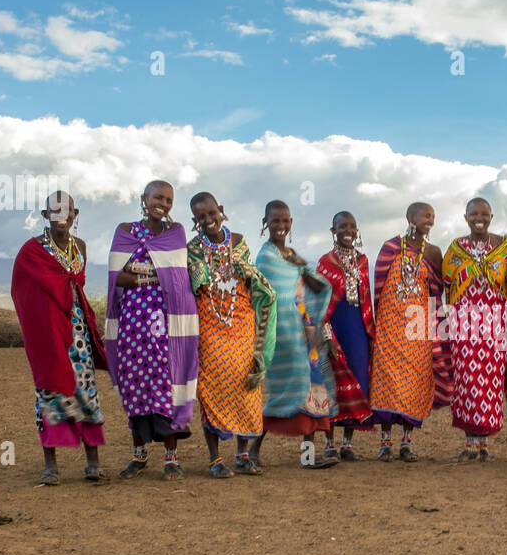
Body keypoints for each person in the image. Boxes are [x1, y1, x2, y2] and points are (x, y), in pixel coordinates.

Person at [10, 190, 107, 485]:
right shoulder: (33, 250)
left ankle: (93, 461)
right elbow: (22, 291)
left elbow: (75, 286)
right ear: (45, 216)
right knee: (49, 392)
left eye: (67, 211)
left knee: (86, 391)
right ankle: (50, 465)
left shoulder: (81, 247)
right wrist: (39, 324)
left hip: (78, 331)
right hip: (49, 333)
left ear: (75, 216)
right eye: (54, 211)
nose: (61, 216)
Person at [106, 180, 198, 480]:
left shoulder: (175, 233)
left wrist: (139, 274)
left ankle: (171, 459)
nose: (163, 203)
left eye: (169, 200)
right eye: (158, 197)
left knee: (166, 388)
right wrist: (153, 275)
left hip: (166, 326)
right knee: (135, 388)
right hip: (132, 325)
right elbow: (117, 278)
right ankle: (139, 455)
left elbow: (177, 277)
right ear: (143, 198)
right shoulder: (126, 231)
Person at [187, 192, 277, 477]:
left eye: (212, 214)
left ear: (221, 211)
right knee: (210, 390)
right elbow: (193, 285)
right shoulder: (191, 249)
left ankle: (242, 455)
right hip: (210, 327)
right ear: (195, 221)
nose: (208, 220)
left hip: (241, 324)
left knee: (246, 390)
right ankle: (215, 460)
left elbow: (251, 279)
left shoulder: (238, 242)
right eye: (201, 217)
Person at [252, 200, 339, 469]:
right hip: (284, 334)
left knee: (311, 391)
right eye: (275, 221)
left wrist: (304, 268)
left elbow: (313, 286)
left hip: (306, 333)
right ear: (266, 223)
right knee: (286, 393)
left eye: (286, 221)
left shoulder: (291, 254)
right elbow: (271, 297)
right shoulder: (266, 257)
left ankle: (308, 458)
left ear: (291, 224)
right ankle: (252, 450)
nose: (281, 226)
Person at [368, 203, 451, 461]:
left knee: (416, 383)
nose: (430, 220)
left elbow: (437, 291)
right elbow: (378, 289)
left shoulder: (434, 252)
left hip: (419, 329)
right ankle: (385, 442)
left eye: (433, 216)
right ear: (410, 217)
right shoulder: (390, 247)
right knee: (386, 382)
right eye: (426, 215)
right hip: (390, 327)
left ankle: (406, 443)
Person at [442, 197, 507, 461]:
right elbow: (447, 285)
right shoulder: (455, 248)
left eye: (484, 213)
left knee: (491, 382)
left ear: (491, 216)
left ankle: (484, 445)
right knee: (467, 379)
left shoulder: (505, 248)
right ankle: (470, 443)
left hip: (495, 323)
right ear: (465, 217)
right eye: (473, 214)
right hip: (464, 324)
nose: (479, 218)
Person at [317, 211, 376, 460]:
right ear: (333, 231)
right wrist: (327, 337)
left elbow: (367, 299)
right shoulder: (325, 262)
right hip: (334, 326)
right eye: (343, 226)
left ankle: (347, 444)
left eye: (352, 226)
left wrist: (370, 333)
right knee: (332, 384)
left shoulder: (362, 261)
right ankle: (329, 443)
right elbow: (318, 305)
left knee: (358, 380)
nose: (348, 231)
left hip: (357, 328)